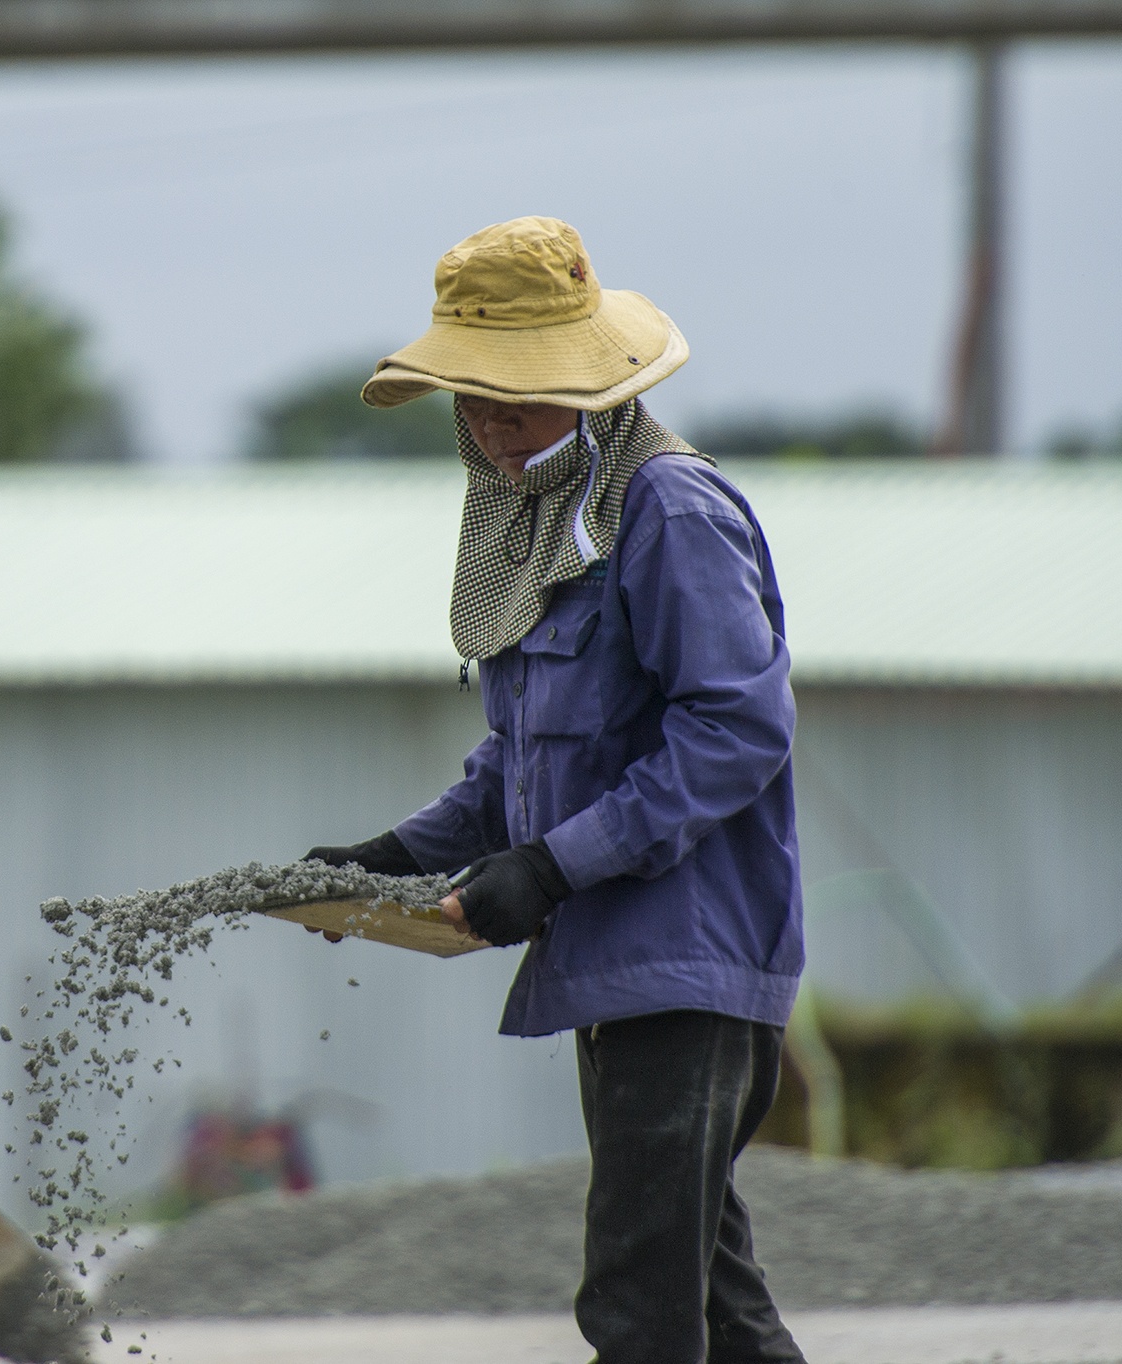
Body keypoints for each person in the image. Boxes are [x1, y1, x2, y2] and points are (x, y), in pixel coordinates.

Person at [304, 217, 805, 1364]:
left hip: (686, 959)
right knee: (711, 1296)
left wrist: (549, 866)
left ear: (588, 384)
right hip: (622, 962)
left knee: (637, 1305)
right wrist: (391, 855)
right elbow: (521, 759)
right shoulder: (538, 513)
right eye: (469, 399)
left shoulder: (665, 510)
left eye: (512, 399)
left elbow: (736, 727)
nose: (485, 424)